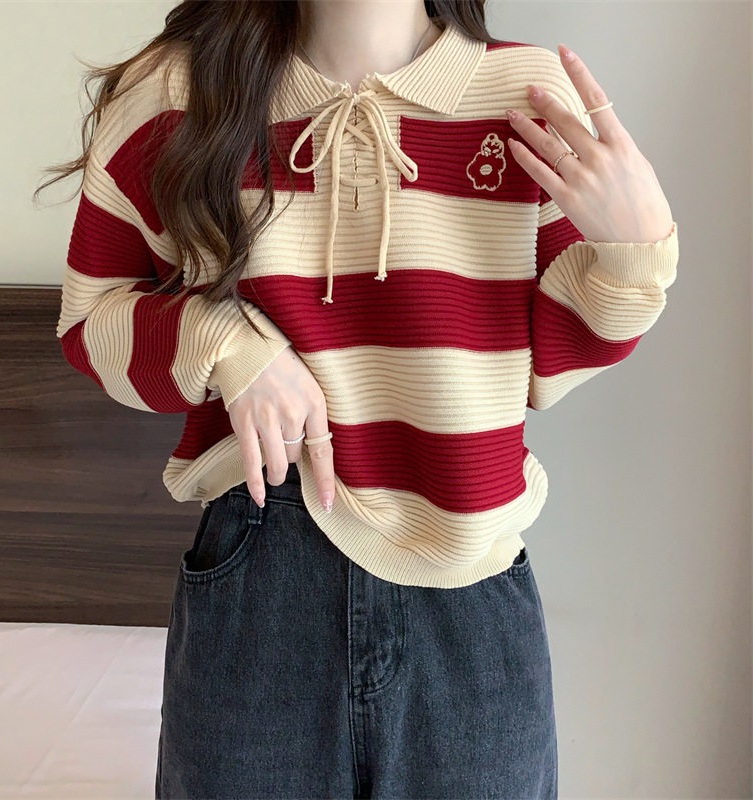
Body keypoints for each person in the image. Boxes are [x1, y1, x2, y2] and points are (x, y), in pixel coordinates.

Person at [40, 0, 679, 797]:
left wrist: (637, 252)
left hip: (467, 592)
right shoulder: (178, 90)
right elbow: (90, 321)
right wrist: (227, 345)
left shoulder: (526, 93)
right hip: (260, 570)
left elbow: (550, 363)